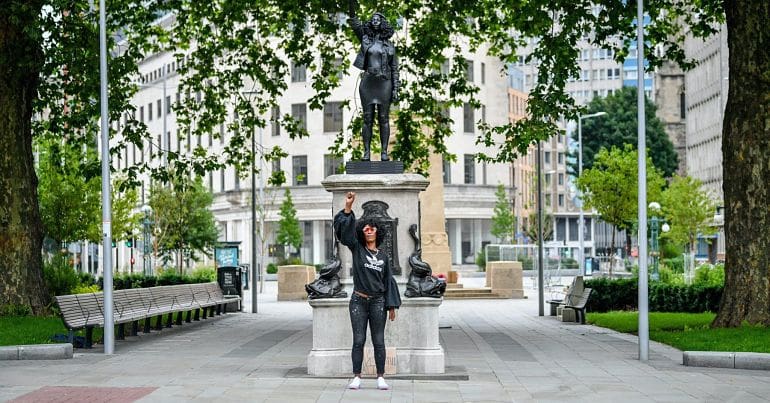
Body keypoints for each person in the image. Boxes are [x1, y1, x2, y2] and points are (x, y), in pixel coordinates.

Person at [334, 191, 400, 390]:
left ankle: (380, 377)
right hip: (358, 301)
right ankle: (357, 376)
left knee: (379, 340)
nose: (369, 230)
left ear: (377, 232)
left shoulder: (383, 257)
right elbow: (344, 234)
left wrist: (391, 306)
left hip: (378, 302)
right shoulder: (357, 249)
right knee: (359, 339)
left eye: (372, 228)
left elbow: (388, 281)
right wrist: (348, 207)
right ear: (362, 232)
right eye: (366, 228)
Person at [347, 2, 400, 161]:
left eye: (378, 18)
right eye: (373, 18)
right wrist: (351, 4)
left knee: (383, 118)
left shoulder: (390, 46)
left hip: (385, 82)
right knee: (367, 118)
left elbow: (395, 68)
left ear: (383, 23)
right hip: (368, 82)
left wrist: (396, 89)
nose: (375, 20)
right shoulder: (364, 39)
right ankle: (366, 152)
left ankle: (384, 152)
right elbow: (354, 21)